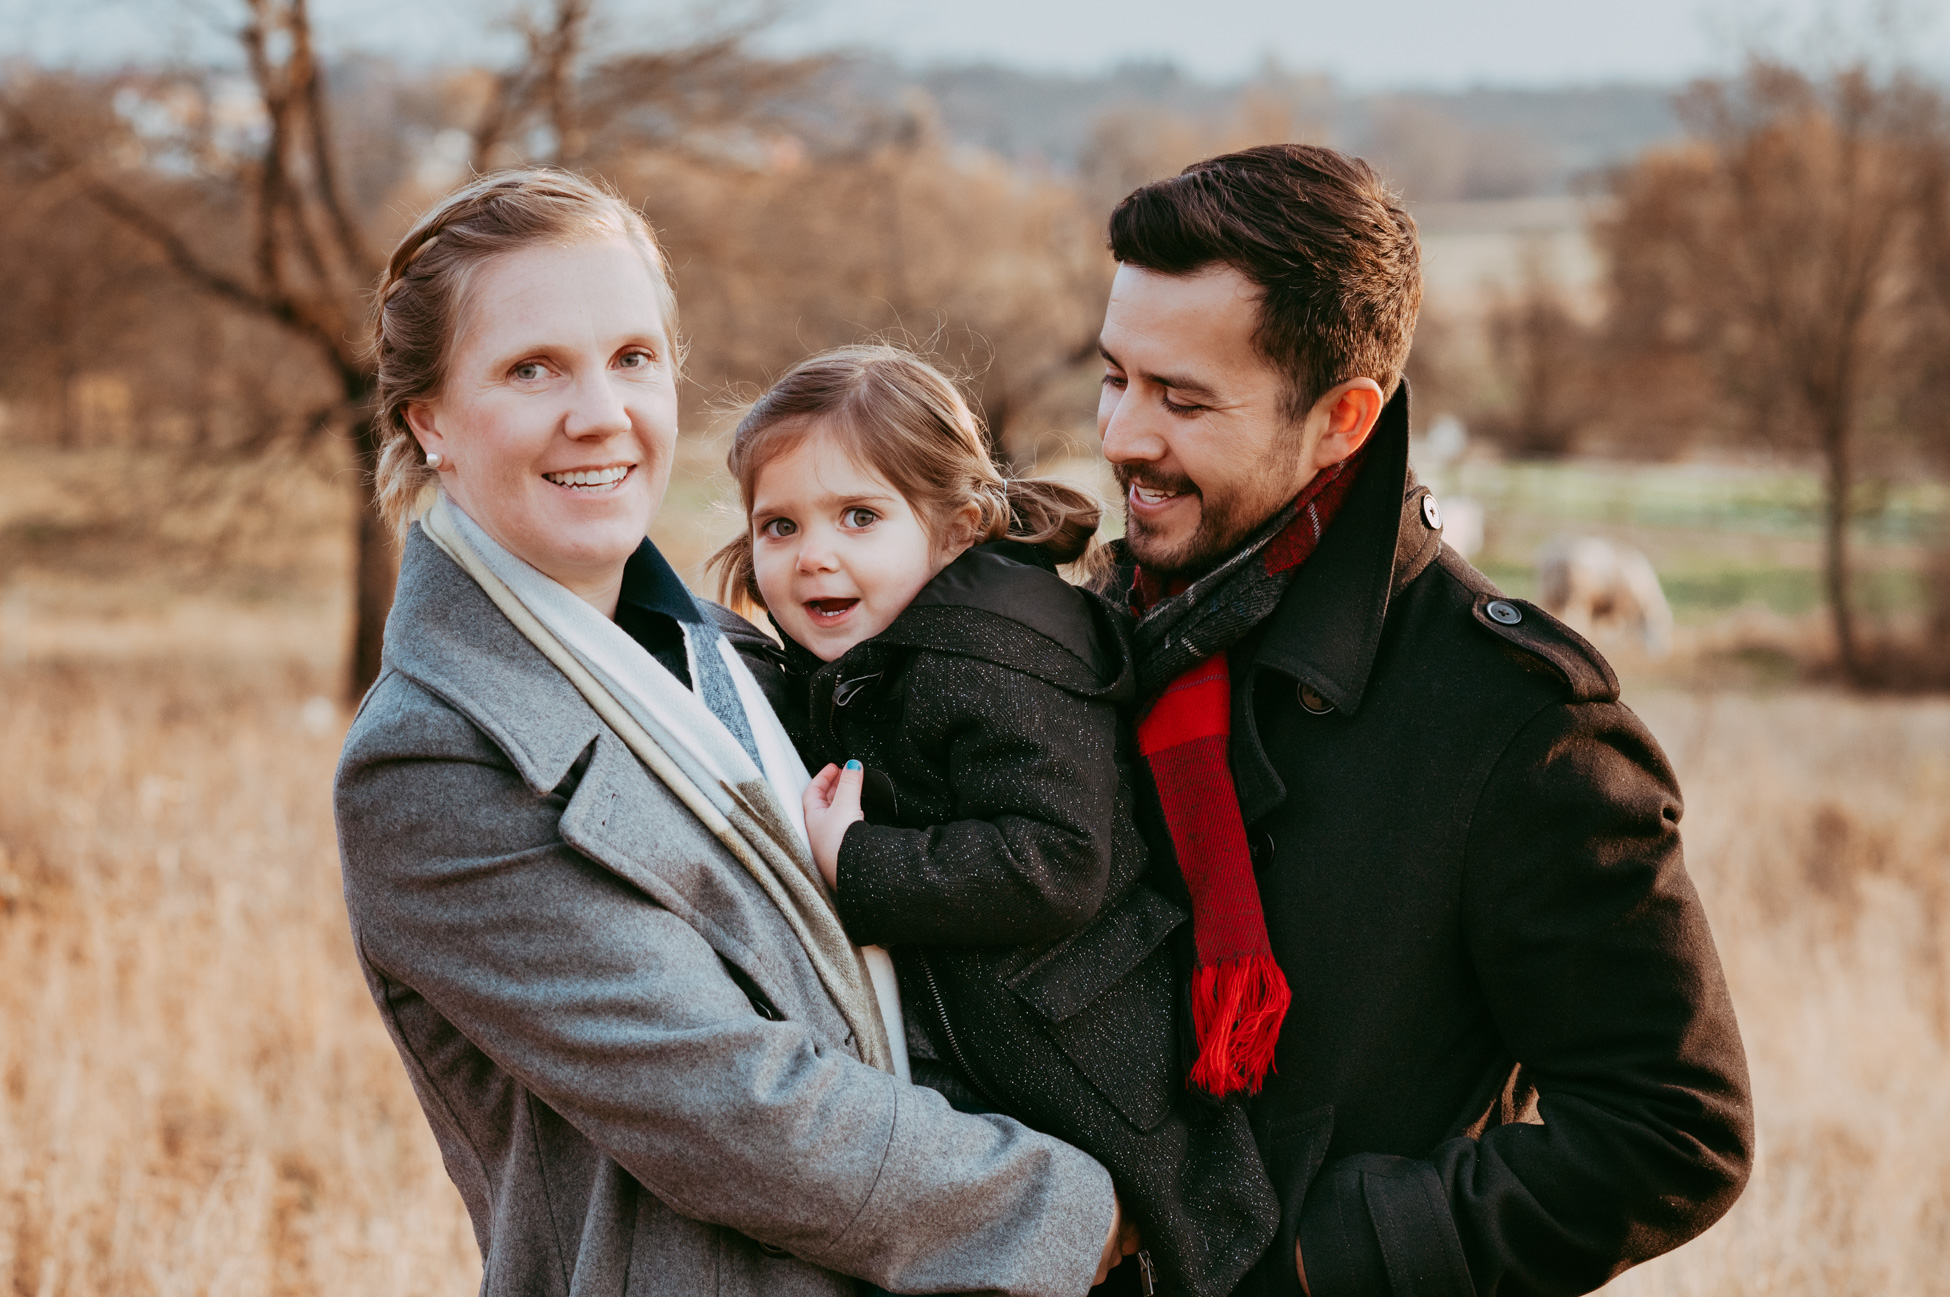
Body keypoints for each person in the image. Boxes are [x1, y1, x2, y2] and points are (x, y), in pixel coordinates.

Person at [332, 169, 1135, 1297]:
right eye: (531, 369)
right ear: (430, 422)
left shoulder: (738, 649)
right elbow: (738, 1110)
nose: (600, 413)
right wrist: (1088, 1213)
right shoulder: (436, 756)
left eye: (633, 359)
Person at [1091, 144, 1755, 1297]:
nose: (1121, 439)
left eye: (1182, 399)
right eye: (1116, 379)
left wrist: (1316, 1253)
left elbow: (1674, 1128)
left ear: (1344, 417)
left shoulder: (1522, 725)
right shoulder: (1088, 633)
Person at [708, 345, 1281, 1297]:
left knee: (1159, 1249)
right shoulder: (874, 646)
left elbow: (1057, 860)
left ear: (955, 527)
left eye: (859, 516)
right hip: (991, 1056)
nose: (814, 554)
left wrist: (859, 861)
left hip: (1086, 1060)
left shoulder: (992, 655)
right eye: (780, 524)